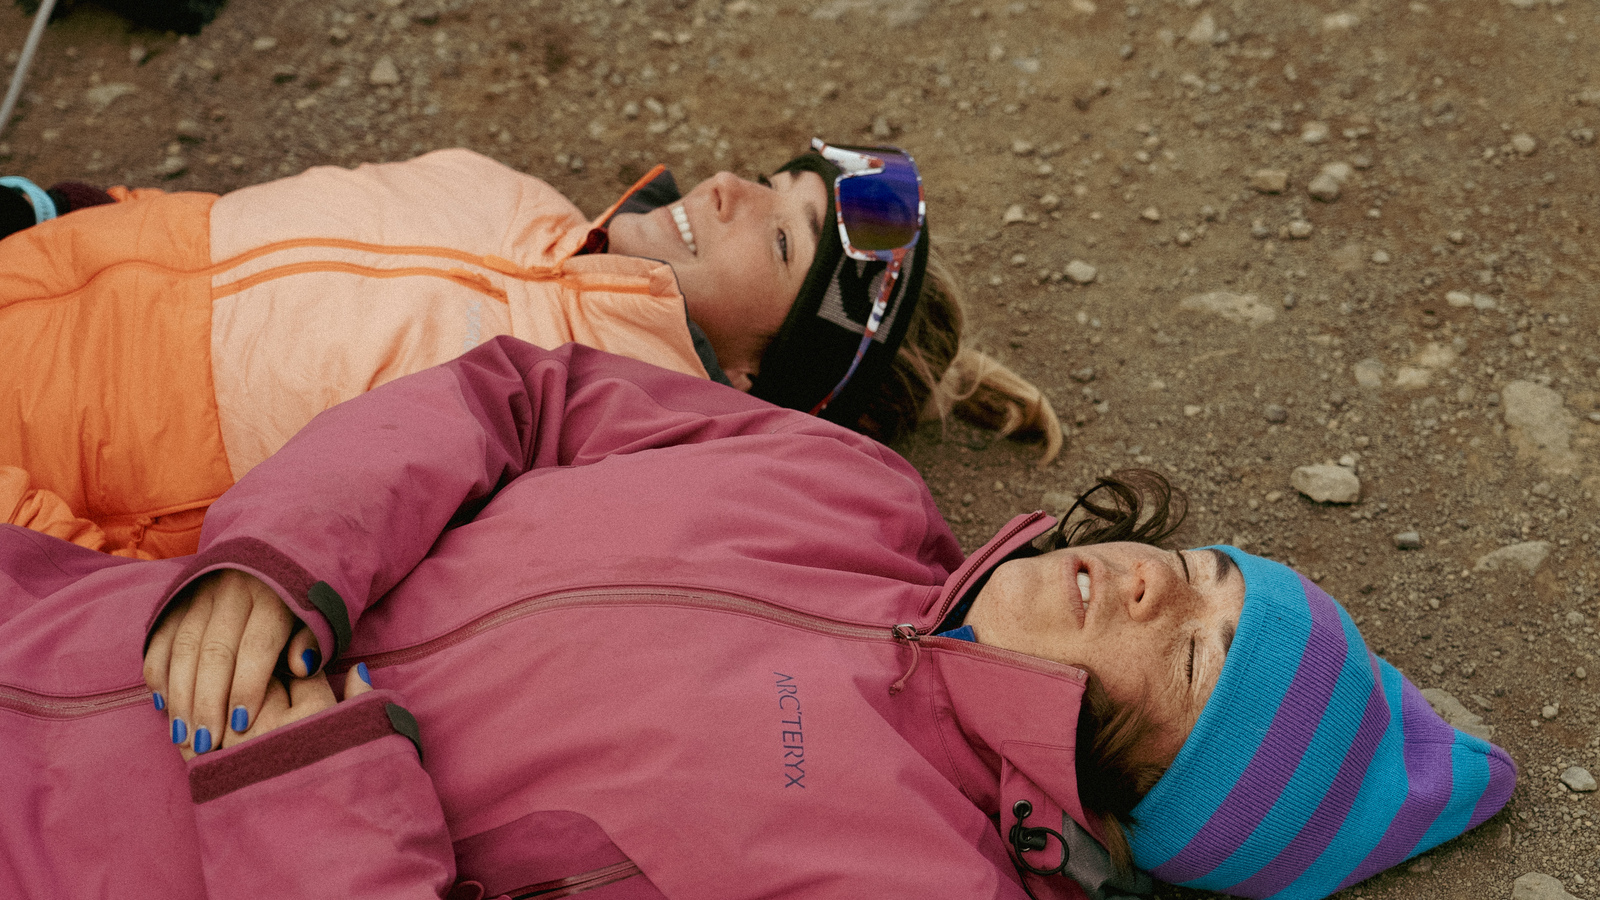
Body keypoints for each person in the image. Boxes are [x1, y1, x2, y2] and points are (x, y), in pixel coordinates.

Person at [1, 337, 1514, 900]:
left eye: (1192, 653)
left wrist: (305, 796)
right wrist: (278, 561)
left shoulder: (911, 876)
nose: (1155, 580)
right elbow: (520, 395)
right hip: (52, 615)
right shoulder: (848, 485)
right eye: (1210, 571)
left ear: (1160, 789)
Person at [0, 140, 1061, 560]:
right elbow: (229, 219)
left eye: (777, 239)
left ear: (754, 377)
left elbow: (228, 570)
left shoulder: (571, 447)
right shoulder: (503, 190)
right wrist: (70, 211)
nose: (731, 191)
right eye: (775, 180)